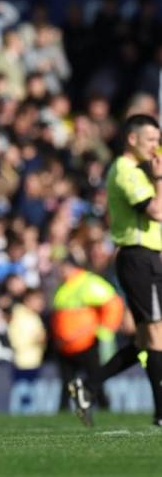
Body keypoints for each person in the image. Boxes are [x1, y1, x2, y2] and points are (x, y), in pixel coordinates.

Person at [70, 114, 162, 427]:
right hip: (138, 257)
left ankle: (89, 385)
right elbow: (156, 211)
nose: (155, 146)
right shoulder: (124, 170)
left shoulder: (138, 170)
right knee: (156, 336)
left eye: (157, 140)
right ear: (132, 139)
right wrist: (159, 179)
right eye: (150, 140)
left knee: (145, 340)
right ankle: (160, 413)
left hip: (148, 257)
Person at [52, 257, 123, 411]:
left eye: (63, 268)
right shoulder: (63, 286)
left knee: (95, 377)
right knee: (67, 381)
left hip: (86, 342)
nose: (60, 272)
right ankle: (64, 410)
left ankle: (104, 407)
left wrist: (104, 330)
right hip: (65, 346)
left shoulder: (87, 283)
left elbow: (113, 304)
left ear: (72, 267)